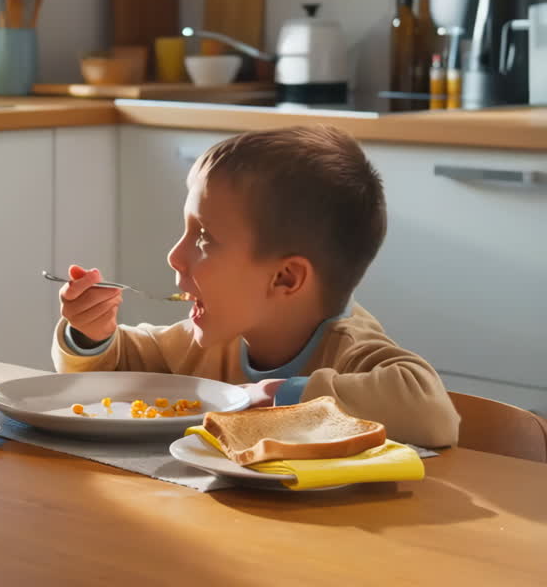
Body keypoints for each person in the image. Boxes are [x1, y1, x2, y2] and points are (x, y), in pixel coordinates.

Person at [53, 125, 459, 447]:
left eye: (203, 238)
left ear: (285, 279)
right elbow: (122, 371)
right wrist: (92, 337)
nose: (174, 256)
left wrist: (283, 395)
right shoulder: (212, 341)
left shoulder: (348, 349)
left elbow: (431, 411)